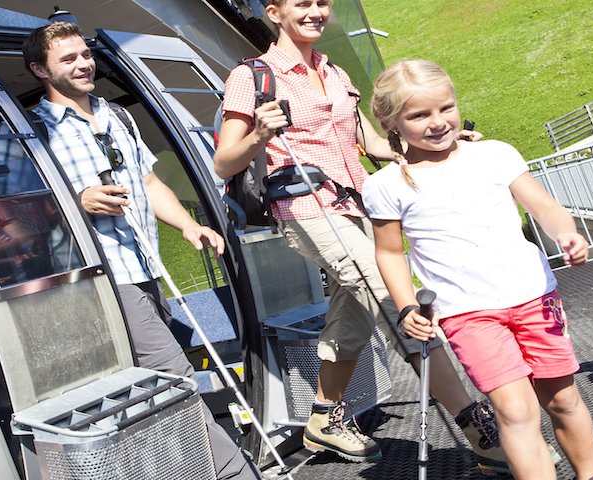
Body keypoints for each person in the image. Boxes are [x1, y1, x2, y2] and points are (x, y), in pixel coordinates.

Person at [213, 0, 551, 472]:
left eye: (322, 2)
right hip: (305, 207)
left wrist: (447, 146)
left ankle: (324, 417)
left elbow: (370, 144)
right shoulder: (253, 76)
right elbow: (224, 162)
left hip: (357, 203)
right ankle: (478, 428)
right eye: (302, 3)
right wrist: (260, 136)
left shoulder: (336, 74)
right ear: (274, 11)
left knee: (356, 307)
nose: (316, 11)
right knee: (397, 299)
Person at [22, 22, 260, 479]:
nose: (83, 63)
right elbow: (12, 214)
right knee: (175, 381)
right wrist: (76, 204)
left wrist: (191, 226)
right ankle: (235, 471)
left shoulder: (117, 116)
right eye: (67, 59)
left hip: (146, 269)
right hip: (99, 281)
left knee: (154, 389)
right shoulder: (28, 132)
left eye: (84, 54)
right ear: (40, 70)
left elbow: (149, 183)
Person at [363, 59, 593, 480]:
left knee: (562, 400)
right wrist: (406, 307)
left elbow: (544, 206)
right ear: (391, 123)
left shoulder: (494, 154)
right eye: (419, 115)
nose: (437, 123)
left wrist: (567, 232)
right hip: (467, 313)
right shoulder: (385, 185)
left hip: (533, 297)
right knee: (514, 410)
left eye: (445, 108)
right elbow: (390, 253)